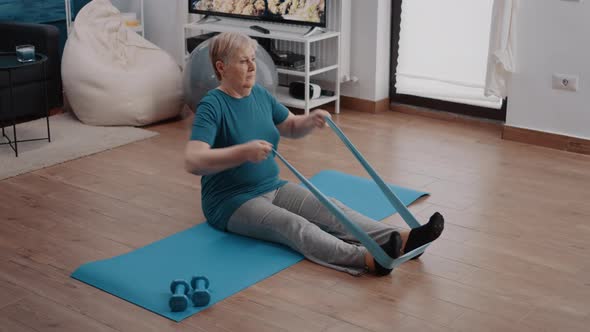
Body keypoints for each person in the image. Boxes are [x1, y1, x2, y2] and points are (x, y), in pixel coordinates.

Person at [184, 32, 444, 276]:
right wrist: (241, 153)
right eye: (244, 61)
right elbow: (194, 161)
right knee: (294, 226)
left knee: (330, 208)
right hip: (230, 201)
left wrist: (310, 120)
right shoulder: (212, 105)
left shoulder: (260, 95)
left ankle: (401, 239)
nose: (253, 67)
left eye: (253, 59)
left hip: (272, 186)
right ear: (221, 67)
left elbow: (290, 126)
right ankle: (365, 258)